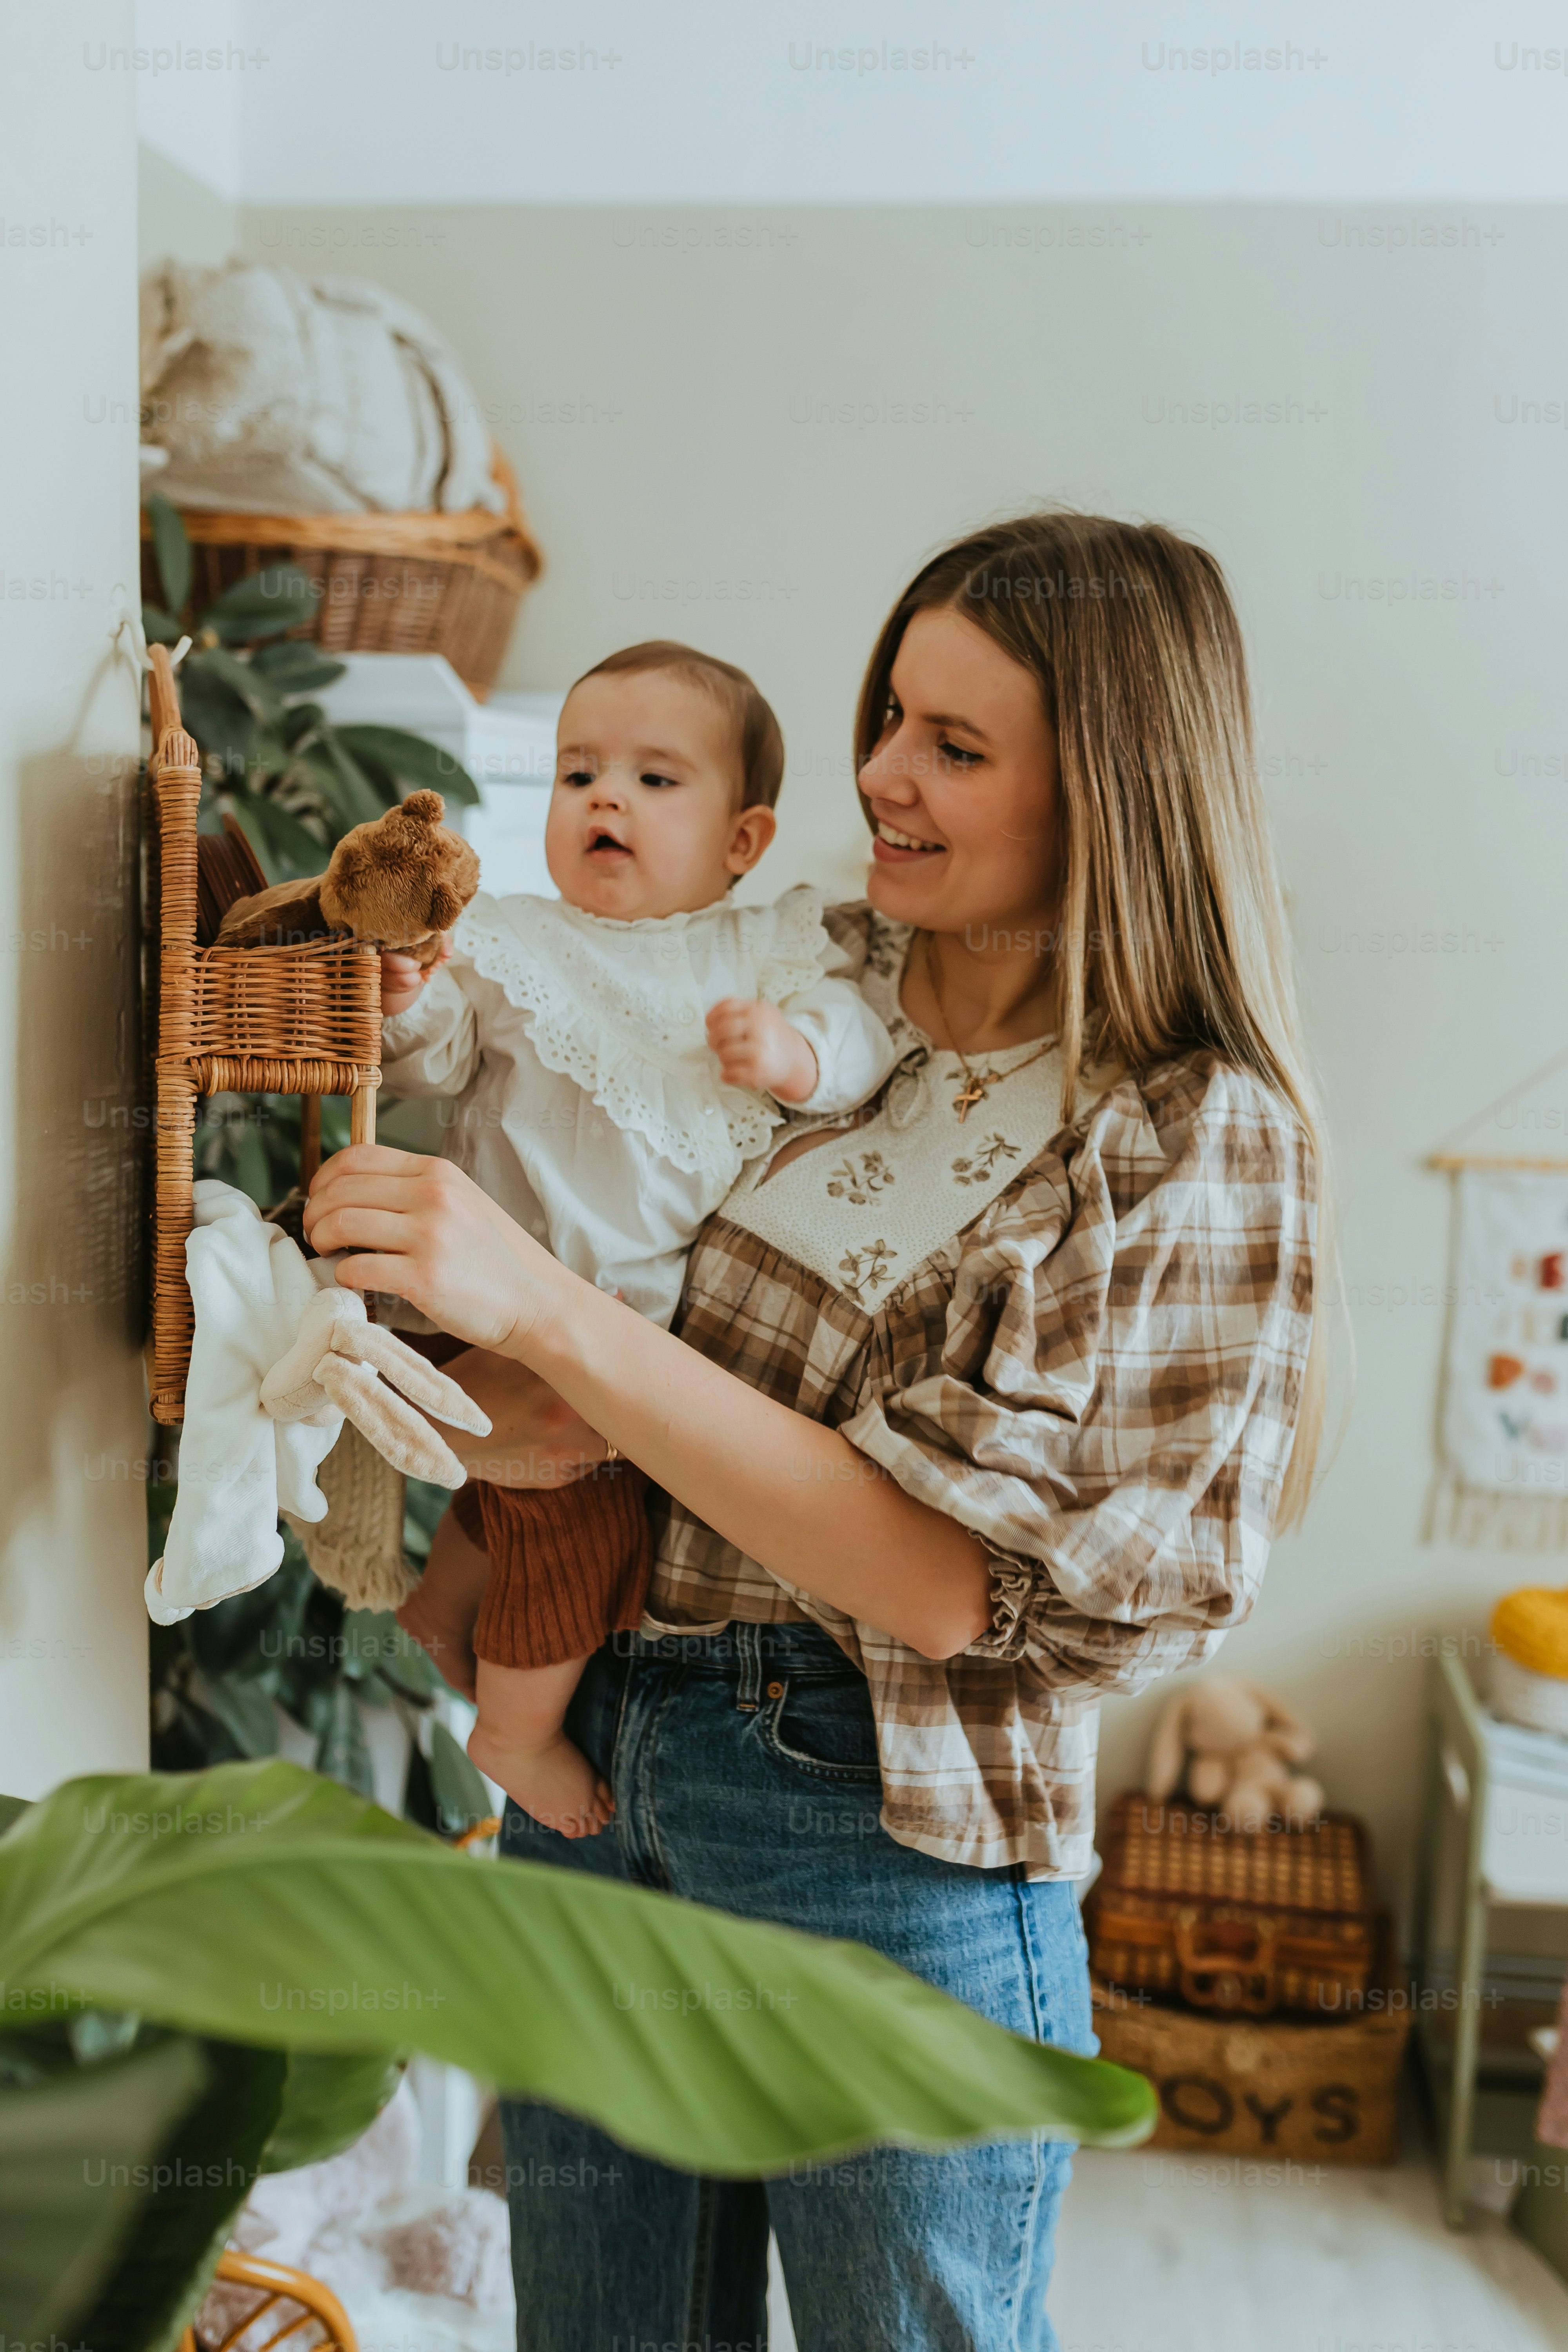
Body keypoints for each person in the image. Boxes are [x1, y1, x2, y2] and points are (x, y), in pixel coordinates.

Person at [305, 510, 1328, 2352]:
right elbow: (565, 1214)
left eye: (956, 745)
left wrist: (546, 1318)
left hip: (888, 1835)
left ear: (1110, 794)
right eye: (887, 718)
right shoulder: (788, 972)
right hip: (602, 1748)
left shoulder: (1184, 1131)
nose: (881, 777)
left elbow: (944, 1583)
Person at [377, 639, 896, 1836]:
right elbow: (435, 1055)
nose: (605, 798)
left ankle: (442, 1605)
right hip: (475, 1298)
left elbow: (858, 1035)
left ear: (743, 839)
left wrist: (796, 1054)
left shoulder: (766, 952)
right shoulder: (511, 938)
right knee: (585, 1519)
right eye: (580, 775)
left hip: (607, 1329)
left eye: (655, 780)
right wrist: (406, 1000)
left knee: (527, 1493)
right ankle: (513, 1732)